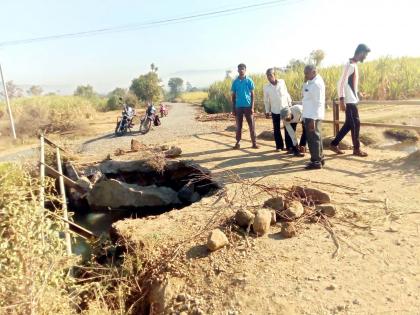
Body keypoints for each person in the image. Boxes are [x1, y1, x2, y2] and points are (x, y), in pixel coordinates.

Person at [330, 44, 371, 157]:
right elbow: (341, 83)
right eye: (365, 54)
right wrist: (342, 100)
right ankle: (356, 149)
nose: (365, 57)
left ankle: (334, 144)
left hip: (352, 99)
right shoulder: (350, 65)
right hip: (349, 101)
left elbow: (350, 85)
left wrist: (358, 93)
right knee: (356, 124)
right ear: (361, 52)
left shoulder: (354, 65)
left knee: (349, 124)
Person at [302, 64, 326, 170]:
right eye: (304, 73)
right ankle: (320, 158)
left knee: (313, 139)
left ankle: (316, 161)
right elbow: (306, 95)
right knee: (316, 137)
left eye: (307, 73)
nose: (305, 75)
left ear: (314, 72)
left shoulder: (316, 84)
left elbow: (318, 102)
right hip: (309, 114)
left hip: (312, 116)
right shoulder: (311, 82)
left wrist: (313, 119)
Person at [263, 68, 292, 152]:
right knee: (276, 129)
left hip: (285, 108)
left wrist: (290, 104)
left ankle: (289, 146)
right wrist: (267, 111)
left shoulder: (282, 82)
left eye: (270, 75)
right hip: (275, 110)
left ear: (274, 75)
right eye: (267, 76)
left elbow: (286, 93)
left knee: (287, 127)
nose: (269, 77)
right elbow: (266, 100)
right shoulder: (266, 87)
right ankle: (279, 146)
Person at [231, 63, 258, 149]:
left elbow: (253, 95)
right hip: (238, 107)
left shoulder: (249, 81)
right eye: (240, 69)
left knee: (252, 125)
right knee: (239, 126)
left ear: (245, 70)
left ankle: (254, 143)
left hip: (248, 106)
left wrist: (252, 107)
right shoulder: (235, 82)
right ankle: (237, 142)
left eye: (243, 69)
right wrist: (233, 109)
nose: (241, 70)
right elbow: (233, 96)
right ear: (238, 70)